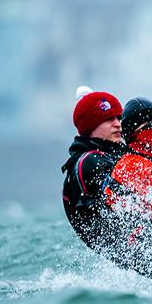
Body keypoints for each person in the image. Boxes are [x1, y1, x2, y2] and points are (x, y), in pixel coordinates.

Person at [61, 86, 128, 256]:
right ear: (91, 127)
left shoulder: (114, 153)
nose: (117, 124)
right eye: (109, 119)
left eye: (119, 118)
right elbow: (125, 196)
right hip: (129, 246)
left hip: (133, 244)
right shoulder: (89, 161)